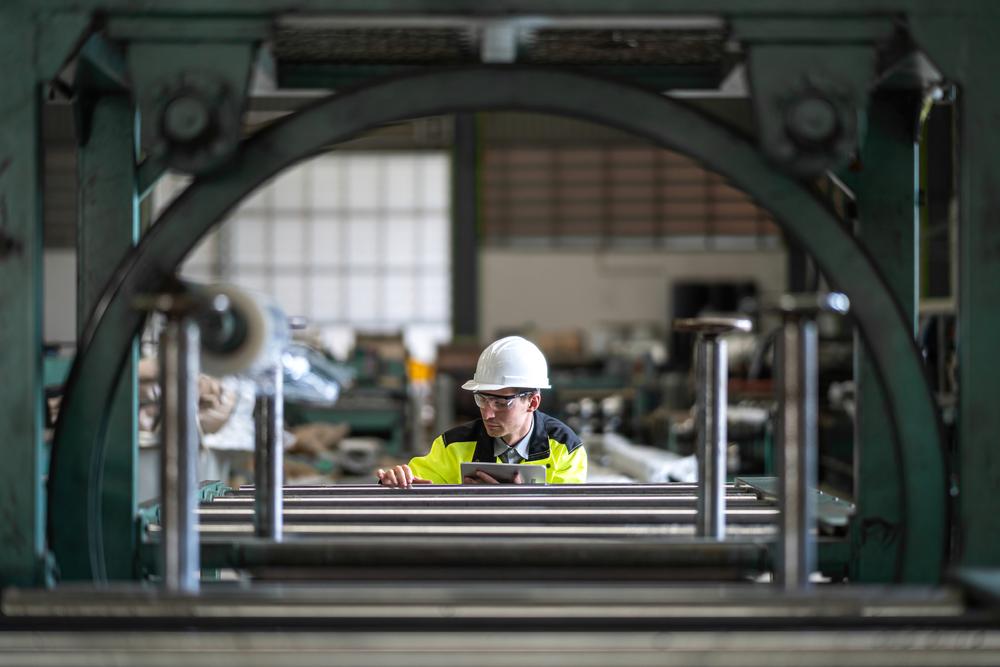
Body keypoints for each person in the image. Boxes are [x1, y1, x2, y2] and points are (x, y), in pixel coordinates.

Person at [377, 336, 587, 487]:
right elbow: (415, 484)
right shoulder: (453, 446)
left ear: (532, 402)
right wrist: (395, 482)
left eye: (500, 403)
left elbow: (565, 516)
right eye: (482, 399)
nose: (487, 414)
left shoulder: (565, 449)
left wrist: (521, 500)